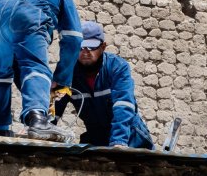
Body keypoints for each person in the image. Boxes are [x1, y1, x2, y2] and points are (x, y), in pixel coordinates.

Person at [0, 0, 81, 141]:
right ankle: (38, 121)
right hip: (25, 12)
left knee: (1, 71)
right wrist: (61, 79)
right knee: (35, 66)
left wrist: (35, 90)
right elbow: (73, 39)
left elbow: (18, 67)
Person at [53, 21, 154, 149]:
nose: (85, 52)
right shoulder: (67, 72)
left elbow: (123, 104)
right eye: (81, 46)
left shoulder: (117, 67)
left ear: (103, 47)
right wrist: (41, 129)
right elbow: (55, 106)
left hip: (130, 137)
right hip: (96, 136)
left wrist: (119, 141)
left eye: (91, 47)